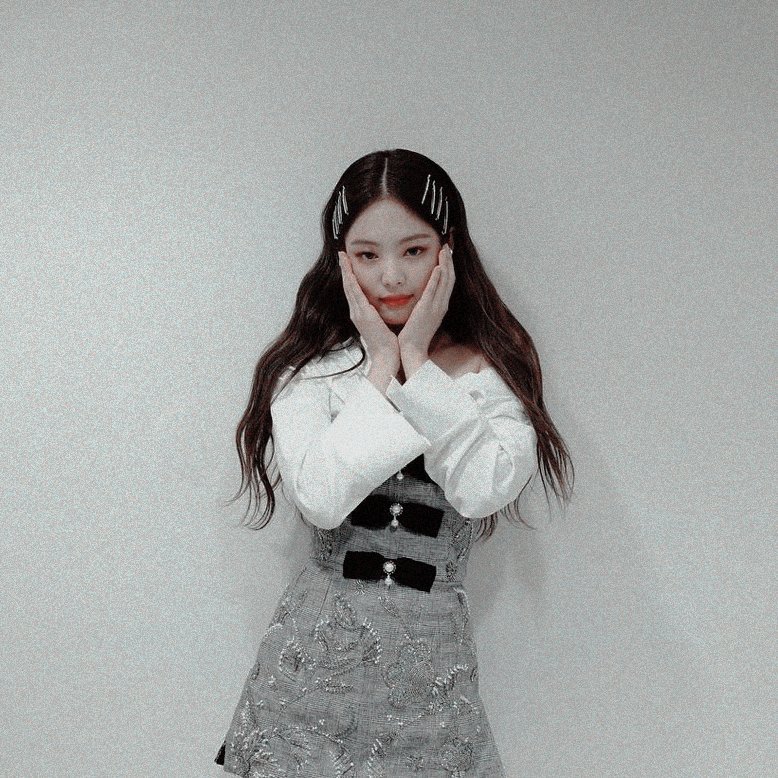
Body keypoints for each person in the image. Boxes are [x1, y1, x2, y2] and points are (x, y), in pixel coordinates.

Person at [214, 149, 574, 776]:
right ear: (341, 260)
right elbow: (321, 499)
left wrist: (418, 361)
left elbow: (482, 489)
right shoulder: (312, 374)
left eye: (413, 250)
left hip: (430, 673)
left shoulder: (491, 373)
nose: (391, 276)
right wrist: (382, 364)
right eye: (367, 254)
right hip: (309, 673)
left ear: (448, 250)